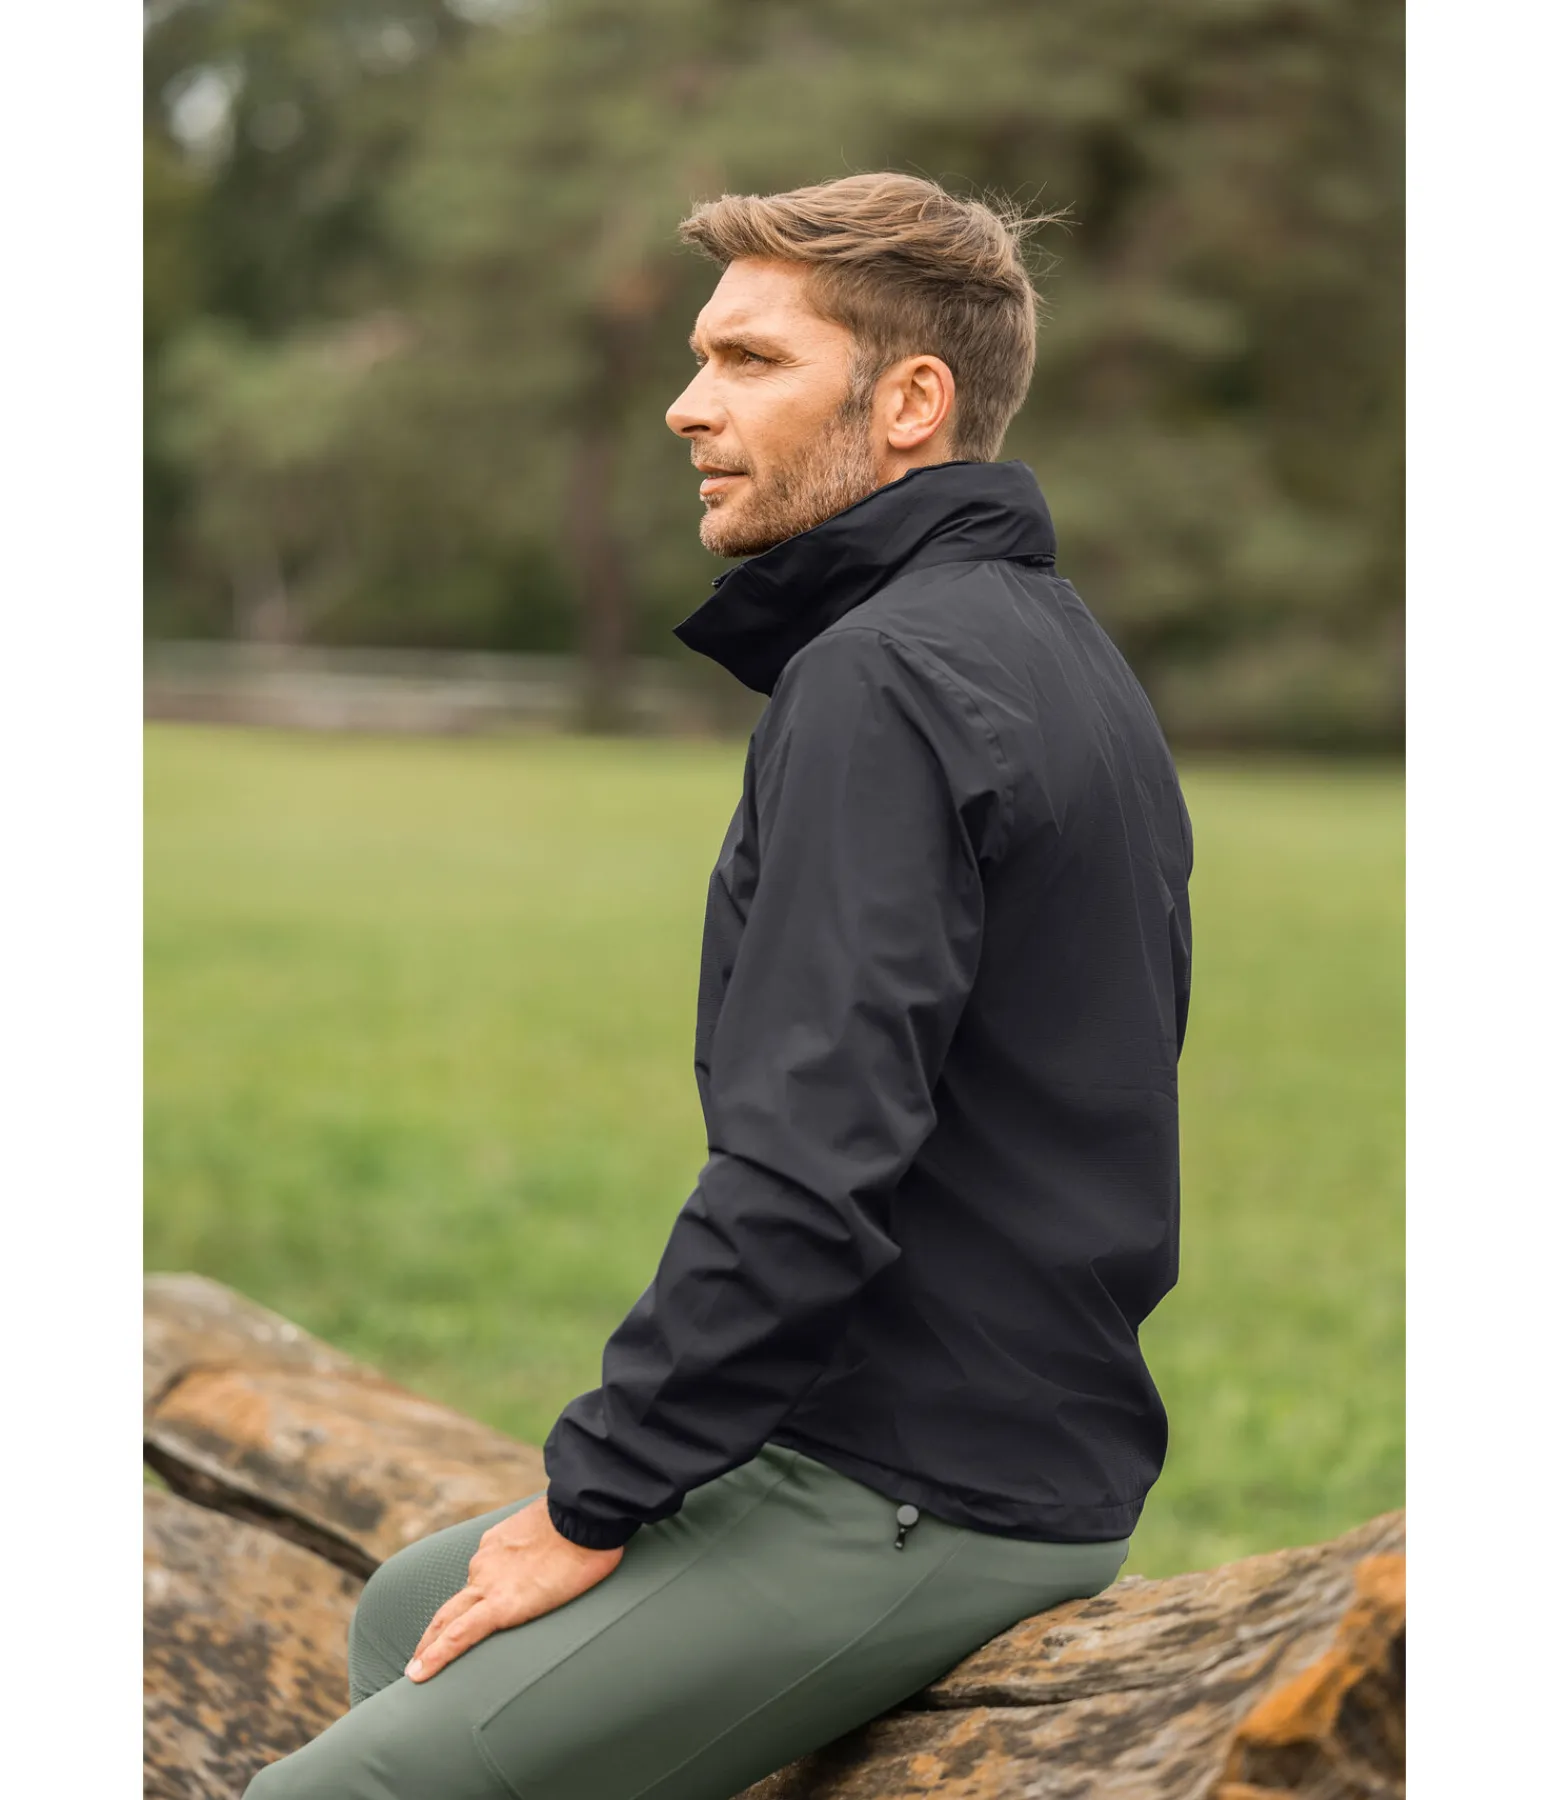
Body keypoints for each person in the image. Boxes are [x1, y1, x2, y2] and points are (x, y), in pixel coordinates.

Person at [246, 171, 1194, 1800]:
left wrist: (595, 1494)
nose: (688, 406)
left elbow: (806, 1169)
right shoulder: (1038, 638)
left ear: (908, 402)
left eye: (750, 360)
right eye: (698, 357)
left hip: (923, 1481)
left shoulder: (883, 678)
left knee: (337, 1791)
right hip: (935, 1422)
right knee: (411, 1607)